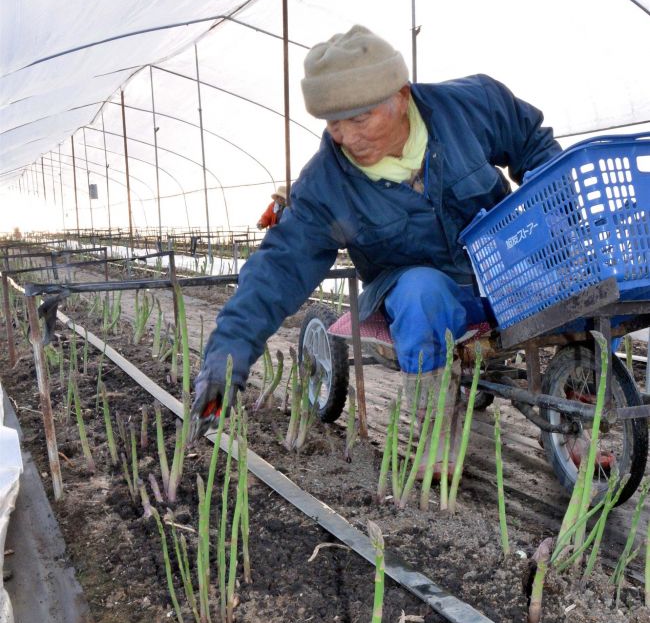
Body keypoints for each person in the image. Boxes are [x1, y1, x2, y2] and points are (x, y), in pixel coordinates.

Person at [192, 25, 561, 471]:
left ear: (401, 96)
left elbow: (535, 146)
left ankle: (575, 417)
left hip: (505, 272)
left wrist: (554, 221)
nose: (346, 137)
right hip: (423, 300)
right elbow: (278, 269)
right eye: (333, 123)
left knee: (585, 278)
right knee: (422, 290)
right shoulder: (326, 185)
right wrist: (225, 357)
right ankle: (436, 434)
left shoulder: (471, 106)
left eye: (360, 118)